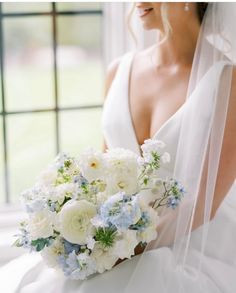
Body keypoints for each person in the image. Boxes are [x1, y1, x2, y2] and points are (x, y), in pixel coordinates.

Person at [1, 2, 236, 292]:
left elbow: (203, 204)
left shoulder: (228, 80)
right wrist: (88, 242)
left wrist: (121, 252)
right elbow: (101, 173)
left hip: (194, 244)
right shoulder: (119, 70)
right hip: (115, 241)